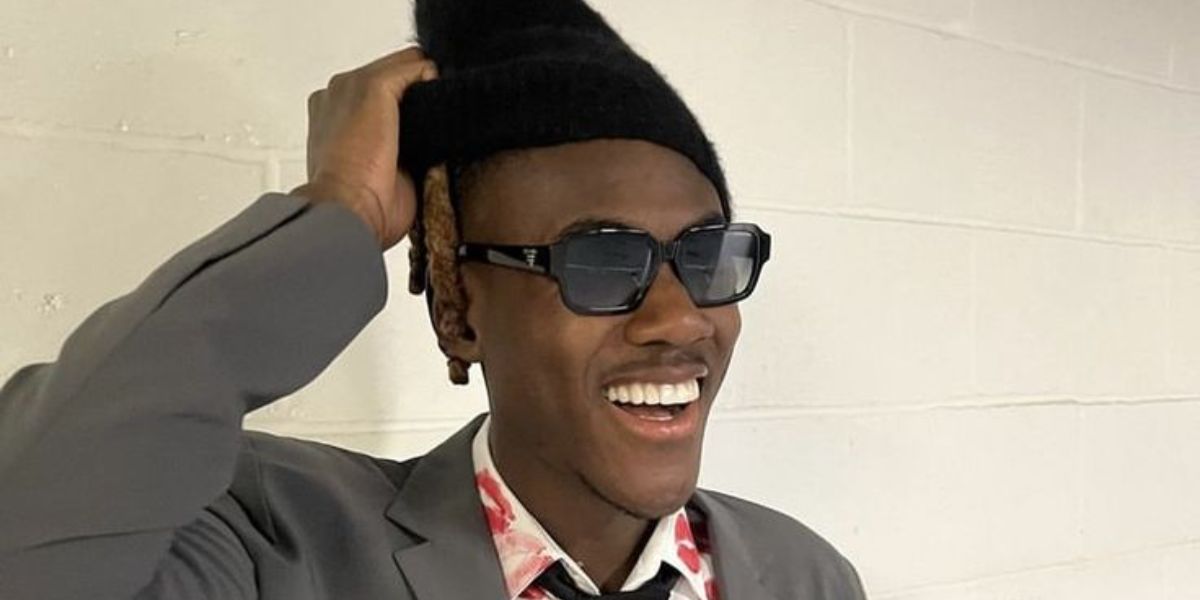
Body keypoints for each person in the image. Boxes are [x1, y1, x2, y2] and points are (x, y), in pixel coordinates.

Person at [0, 1, 867, 598]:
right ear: (458, 310)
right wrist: (340, 209)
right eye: (602, 261)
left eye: (706, 254)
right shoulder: (275, 543)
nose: (679, 318)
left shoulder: (803, 575)